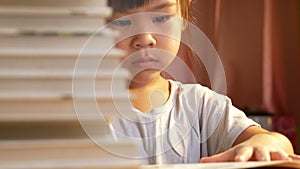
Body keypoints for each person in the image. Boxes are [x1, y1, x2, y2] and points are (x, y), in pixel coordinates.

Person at [106, 0, 300, 164]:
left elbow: (277, 143)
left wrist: (263, 144)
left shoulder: (200, 105)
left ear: (183, 16)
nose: (145, 39)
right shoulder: (79, 111)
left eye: (160, 18)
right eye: (123, 22)